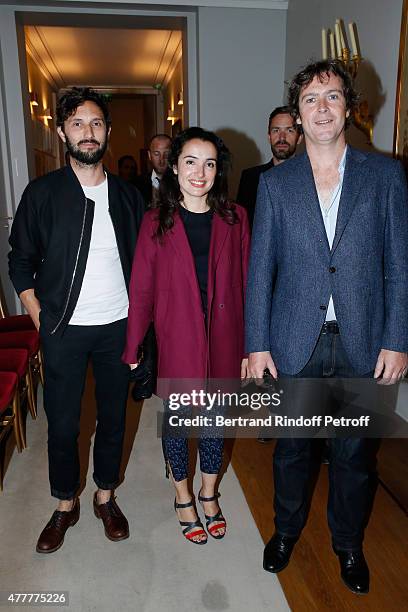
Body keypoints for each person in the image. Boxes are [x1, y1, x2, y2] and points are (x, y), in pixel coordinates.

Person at [245, 60, 408, 594]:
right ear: (297, 113)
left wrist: (397, 338)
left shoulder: (385, 176)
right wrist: (256, 344)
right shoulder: (275, 184)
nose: (322, 108)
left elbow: (399, 265)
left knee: (354, 454)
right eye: (311, 99)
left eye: (332, 97)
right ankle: (286, 531)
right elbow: (260, 269)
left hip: (363, 340)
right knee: (292, 449)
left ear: (348, 108)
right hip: (295, 341)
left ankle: (348, 544)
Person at [8, 87, 145, 553]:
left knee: (113, 418)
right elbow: (19, 260)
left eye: (97, 124)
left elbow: (146, 265)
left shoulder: (129, 196)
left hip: (118, 327)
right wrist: (37, 313)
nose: (89, 133)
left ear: (107, 131)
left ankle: (106, 496)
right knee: (64, 423)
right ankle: (65, 504)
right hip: (63, 327)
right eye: (79, 124)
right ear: (63, 130)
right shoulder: (43, 193)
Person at [123, 127, 250, 544]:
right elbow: (141, 288)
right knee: (178, 426)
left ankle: (209, 493)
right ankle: (182, 497)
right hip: (177, 337)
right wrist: (133, 344)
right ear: (174, 167)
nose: (200, 172)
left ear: (218, 171)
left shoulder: (235, 218)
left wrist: (253, 347)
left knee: (215, 423)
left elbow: (249, 284)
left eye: (209, 163)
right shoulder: (155, 222)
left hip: (225, 339)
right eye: (191, 161)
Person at [236, 106, 302, 226]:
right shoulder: (250, 178)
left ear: (299, 138)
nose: (282, 138)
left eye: (289, 130)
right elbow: (242, 230)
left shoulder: (312, 178)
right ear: (269, 137)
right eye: (276, 130)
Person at [135, 133, 172, 207]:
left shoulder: (181, 184)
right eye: (156, 154)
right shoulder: (136, 185)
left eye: (167, 154)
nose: (162, 160)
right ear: (149, 155)